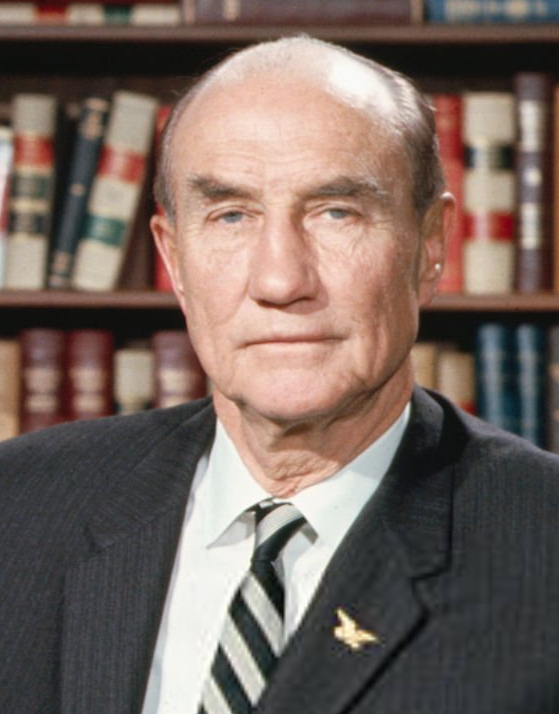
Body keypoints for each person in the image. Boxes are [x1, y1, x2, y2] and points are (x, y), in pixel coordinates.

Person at [1, 35, 559, 714]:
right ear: (173, 259)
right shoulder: (18, 511)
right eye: (231, 215)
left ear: (429, 245)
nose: (280, 280)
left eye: (336, 212)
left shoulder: (542, 547)